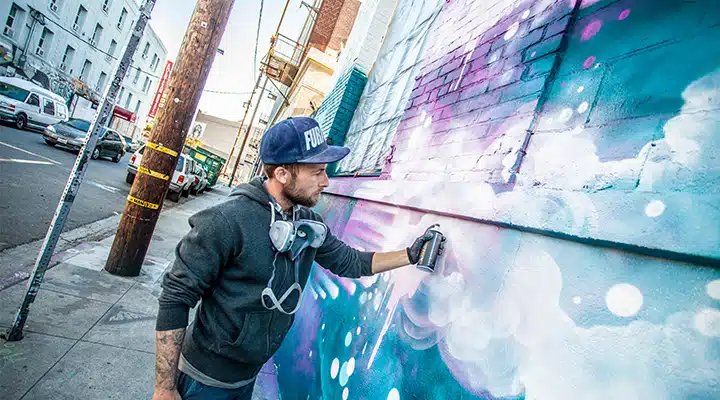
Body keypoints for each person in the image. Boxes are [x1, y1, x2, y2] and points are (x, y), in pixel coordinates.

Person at [152, 117, 445, 400]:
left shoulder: (308, 223)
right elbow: (176, 298)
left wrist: (410, 255)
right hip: (204, 380)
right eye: (317, 172)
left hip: (246, 378)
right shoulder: (226, 221)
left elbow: (351, 262)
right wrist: (165, 388)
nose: (326, 181)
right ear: (281, 174)